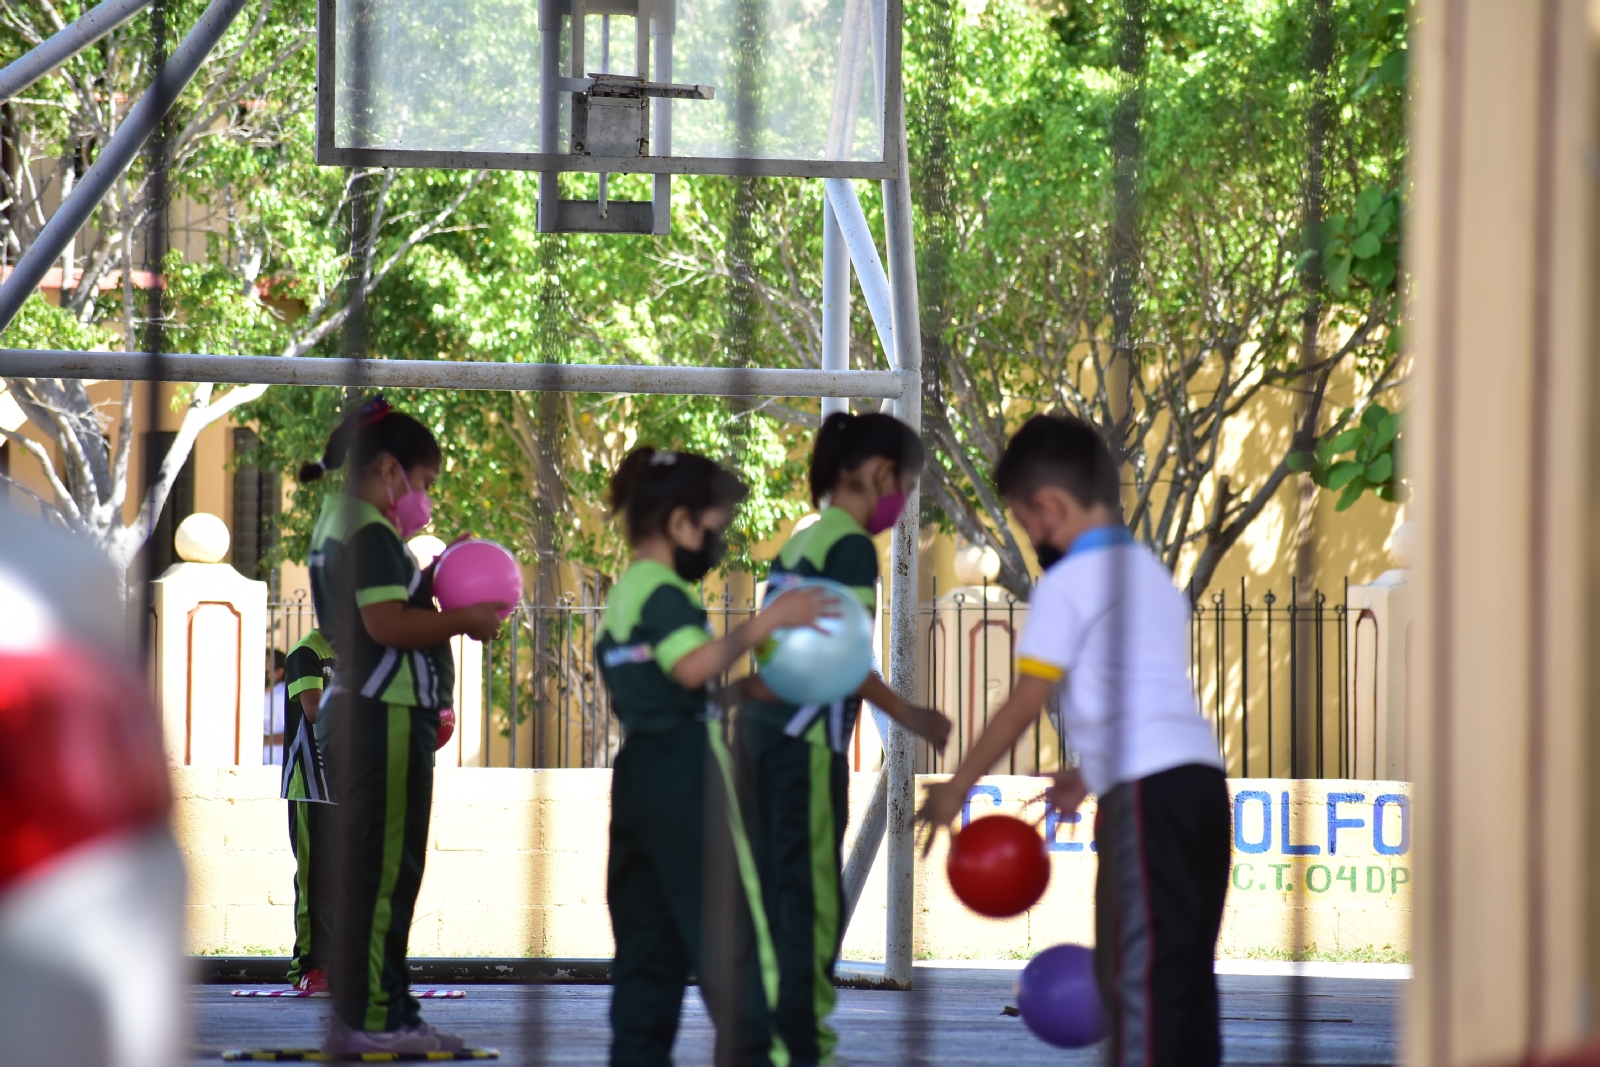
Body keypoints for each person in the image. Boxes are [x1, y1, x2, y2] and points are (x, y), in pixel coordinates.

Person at [915, 413, 1229, 1067]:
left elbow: (1025, 702)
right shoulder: (1147, 572)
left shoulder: (1066, 584)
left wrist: (956, 787)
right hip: (1200, 784)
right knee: (1186, 977)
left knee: (1137, 980)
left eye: (1026, 522)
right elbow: (1143, 696)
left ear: (1049, 507)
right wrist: (1088, 775)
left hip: (1146, 800)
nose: (1029, 537)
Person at [596, 446, 837, 1067]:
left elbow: (664, 682)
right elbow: (690, 665)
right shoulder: (666, 594)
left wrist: (739, 689)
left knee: (647, 946)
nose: (719, 541)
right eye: (714, 526)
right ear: (680, 523)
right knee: (737, 942)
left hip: (638, 776)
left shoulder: (626, 593)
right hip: (688, 775)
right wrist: (769, 621)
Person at [734, 411, 951, 1066]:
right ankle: (798, 1040)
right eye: (905, 486)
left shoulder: (802, 539)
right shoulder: (852, 546)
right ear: (881, 473)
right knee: (811, 894)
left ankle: (760, 1029)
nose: (902, 502)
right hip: (805, 743)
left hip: (763, 737)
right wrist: (910, 714)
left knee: (773, 889)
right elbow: (846, 659)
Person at [300, 395, 505, 1055]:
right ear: (390, 469)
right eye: (424, 484)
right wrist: (463, 620)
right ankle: (378, 1016)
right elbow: (385, 624)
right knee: (386, 870)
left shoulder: (341, 522)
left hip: (370, 712)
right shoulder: (367, 532)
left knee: (377, 868)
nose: (425, 500)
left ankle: (382, 1007)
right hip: (381, 717)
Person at [282, 628, 336, 994]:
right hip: (313, 785)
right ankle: (311, 966)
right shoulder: (307, 652)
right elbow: (316, 710)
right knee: (316, 877)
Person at [263, 649, 288, 765]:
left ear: (278, 672)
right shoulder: (262, 693)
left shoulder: (283, 696)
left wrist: (264, 740)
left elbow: (292, 733)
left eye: (265, 665)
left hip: (276, 764)